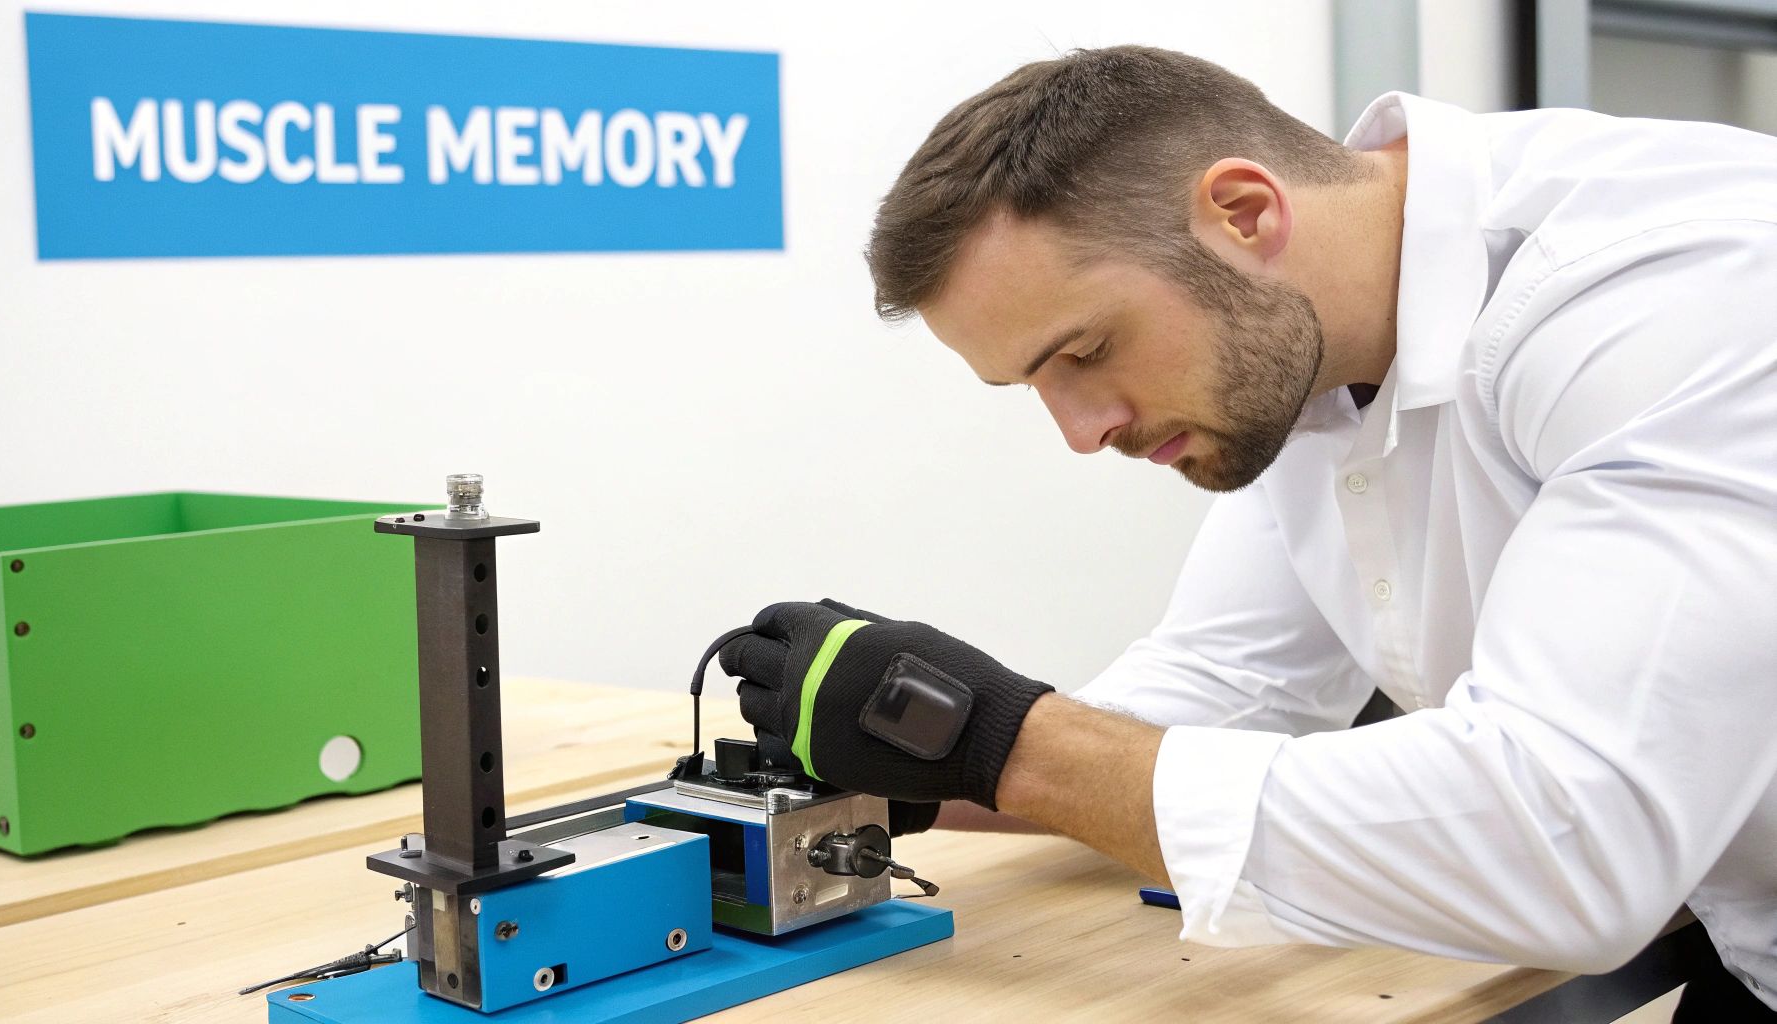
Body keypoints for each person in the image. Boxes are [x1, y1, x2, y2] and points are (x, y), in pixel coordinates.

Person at [710, 46, 1777, 1016]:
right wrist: (904, 771)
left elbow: (1565, 842)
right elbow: (1226, 691)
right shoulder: (1311, 349)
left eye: (1081, 350)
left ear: (1243, 213)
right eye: (1030, 384)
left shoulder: (1666, 296)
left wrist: (996, 740)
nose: (1082, 432)